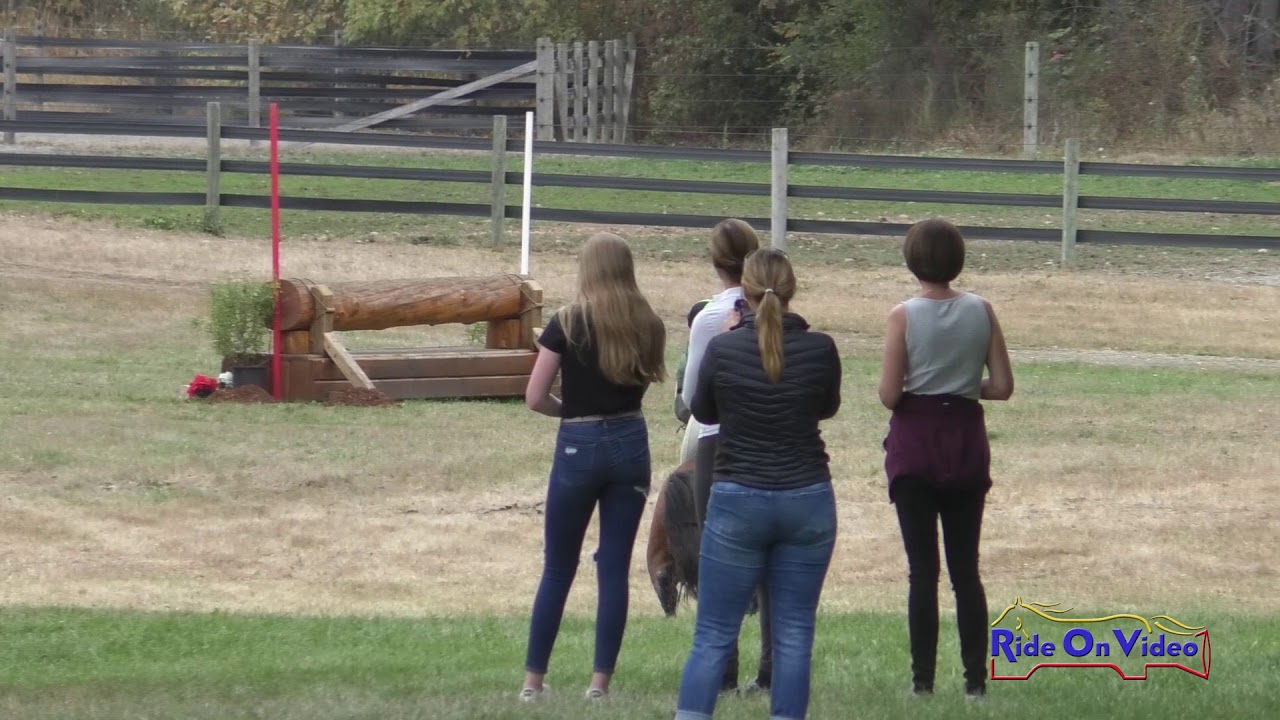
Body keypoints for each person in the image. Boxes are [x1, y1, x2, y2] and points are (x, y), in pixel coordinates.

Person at [675, 248, 843, 720]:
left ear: (742, 293)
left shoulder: (724, 348)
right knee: (793, 635)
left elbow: (702, 410)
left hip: (737, 495)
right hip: (806, 495)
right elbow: (826, 407)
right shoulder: (820, 348)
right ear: (791, 290)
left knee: (713, 633)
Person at [520, 232, 667, 702]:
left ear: (588, 269)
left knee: (558, 567)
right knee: (614, 567)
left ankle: (533, 681)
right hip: (630, 441)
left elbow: (535, 396)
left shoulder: (566, 321)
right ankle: (599, 683)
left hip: (578, 445)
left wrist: (573, 412)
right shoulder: (648, 322)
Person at [876, 218, 1014, 699]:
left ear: (912, 261)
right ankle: (976, 681)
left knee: (922, 571)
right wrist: (959, 386)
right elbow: (1001, 386)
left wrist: (925, 387)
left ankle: (923, 682)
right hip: (964, 443)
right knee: (965, 570)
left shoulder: (903, 316)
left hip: (915, 444)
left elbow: (890, 394)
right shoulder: (982, 310)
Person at [679, 218, 771, 694]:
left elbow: (694, 396)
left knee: (719, 560)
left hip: (718, 440)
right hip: (769, 439)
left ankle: (725, 670)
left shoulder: (711, 317)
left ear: (714, 263)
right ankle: (772, 669)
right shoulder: (773, 309)